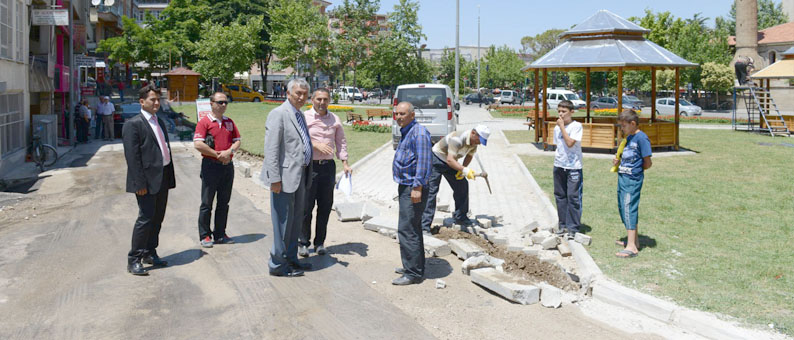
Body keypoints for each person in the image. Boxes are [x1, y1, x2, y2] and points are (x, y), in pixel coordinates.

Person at [260, 79, 314, 277]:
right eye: (298, 93)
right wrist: (274, 178)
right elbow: (271, 149)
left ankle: (291, 259)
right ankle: (278, 265)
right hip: (283, 179)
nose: (301, 97)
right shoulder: (279, 114)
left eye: (305, 94)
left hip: (300, 176)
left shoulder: (299, 114)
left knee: (295, 222)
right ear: (288, 93)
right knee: (282, 224)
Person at [122, 85, 176, 275]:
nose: (156, 103)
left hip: (162, 177)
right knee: (145, 218)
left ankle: (150, 252)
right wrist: (139, 183)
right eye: (152, 99)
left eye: (158, 99)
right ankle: (134, 259)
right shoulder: (133, 124)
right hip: (146, 181)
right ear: (142, 101)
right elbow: (132, 157)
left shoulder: (158, 121)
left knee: (158, 217)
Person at [299, 88, 352, 257]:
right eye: (319, 99)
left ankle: (320, 243)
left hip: (328, 168)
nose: (322, 102)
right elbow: (297, 139)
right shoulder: (303, 117)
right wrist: (315, 144)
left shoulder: (334, 119)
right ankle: (303, 243)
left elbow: (341, 142)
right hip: (309, 167)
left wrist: (345, 163)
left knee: (325, 206)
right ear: (312, 100)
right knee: (306, 207)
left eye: (325, 99)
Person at [420, 125, 490, 234]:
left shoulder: (474, 142)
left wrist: (462, 170)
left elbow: (469, 156)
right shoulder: (457, 138)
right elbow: (450, 160)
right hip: (436, 160)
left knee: (462, 186)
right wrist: (464, 170)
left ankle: (461, 217)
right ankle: (424, 227)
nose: (479, 143)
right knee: (431, 191)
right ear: (473, 133)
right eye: (479, 140)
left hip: (451, 162)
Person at [193, 92, 241, 248]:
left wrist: (229, 152)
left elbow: (237, 141)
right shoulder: (204, 122)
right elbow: (198, 144)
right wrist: (217, 155)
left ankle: (220, 233)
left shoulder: (229, 122)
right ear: (211, 103)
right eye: (220, 102)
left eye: (226, 102)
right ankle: (205, 235)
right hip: (211, 166)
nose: (224, 105)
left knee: (223, 202)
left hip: (227, 166)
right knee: (207, 202)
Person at [392, 101, 432, 286]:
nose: (399, 117)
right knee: (412, 228)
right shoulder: (407, 131)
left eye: (403, 114)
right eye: (397, 114)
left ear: (412, 115)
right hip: (406, 186)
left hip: (413, 188)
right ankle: (414, 266)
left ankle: (413, 273)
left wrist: (417, 187)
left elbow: (424, 162)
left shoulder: (419, 133)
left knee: (407, 229)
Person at [613, 109, 652, 258]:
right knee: (623, 208)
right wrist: (618, 162)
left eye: (623, 126)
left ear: (633, 123)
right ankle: (634, 241)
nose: (621, 129)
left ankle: (631, 248)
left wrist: (636, 171)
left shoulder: (642, 138)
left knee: (629, 208)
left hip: (632, 180)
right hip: (622, 178)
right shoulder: (629, 138)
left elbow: (647, 162)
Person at [552, 100, 583, 238]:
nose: (561, 114)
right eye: (559, 111)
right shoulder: (556, 128)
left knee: (573, 197)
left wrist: (562, 127)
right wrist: (560, 127)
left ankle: (573, 227)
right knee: (560, 196)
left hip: (573, 167)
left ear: (572, 112)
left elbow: (570, 143)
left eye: (564, 111)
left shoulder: (576, 126)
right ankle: (562, 224)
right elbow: (558, 145)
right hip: (559, 165)